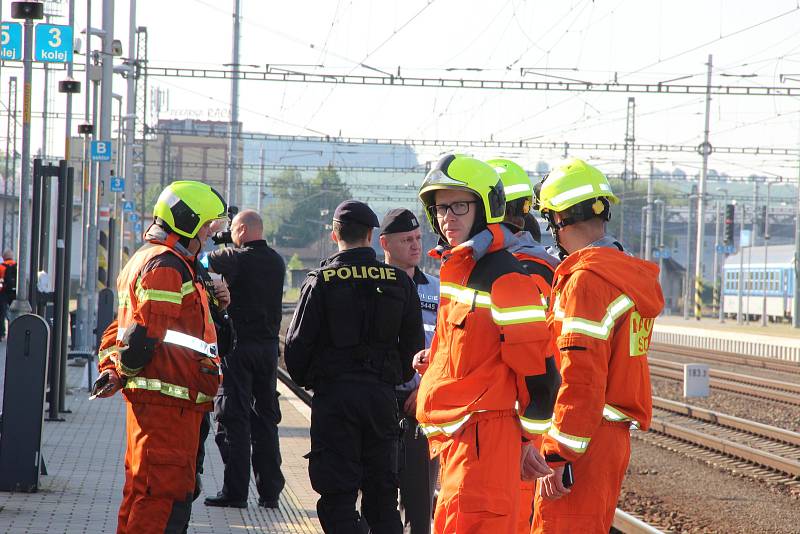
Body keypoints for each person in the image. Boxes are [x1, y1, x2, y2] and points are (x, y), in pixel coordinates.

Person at [415, 154, 559, 534]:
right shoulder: (461, 270)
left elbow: (541, 375)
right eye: (441, 207)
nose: (448, 217)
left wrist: (528, 442)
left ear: (485, 207)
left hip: (488, 443)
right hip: (462, 442)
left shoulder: (505, 278)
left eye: (460, 205)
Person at [530, 159, 664, 533]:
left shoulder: (586, 281)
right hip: (608, 435)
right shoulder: (623, 273)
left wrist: (558, 453)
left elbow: (581, 378)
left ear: (559, 220)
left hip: (583, 438)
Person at [94, 180, 228, 534]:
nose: (209, 236)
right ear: (186, 223)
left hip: (172, 406)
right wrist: (123, 369)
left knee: (144, 491)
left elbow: (117, 330)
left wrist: (113, 371)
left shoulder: (157, 260)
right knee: (161, 497)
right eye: (206, 227)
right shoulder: (166, 267)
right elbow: (145, 333)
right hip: (168, 407)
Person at [285, 200, 425, 534]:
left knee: (338, 499)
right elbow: (413, 351)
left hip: (335, 402)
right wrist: (390, 377)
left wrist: (315, 380)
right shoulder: (399, 282)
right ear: (371, 235)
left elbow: (296, 349)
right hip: (381, 401)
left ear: (335, 235)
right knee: (382, 500)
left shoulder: (320, 281)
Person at [486, 158, 561, 534]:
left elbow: (519, 356)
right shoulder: (547, 265)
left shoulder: (506, 271)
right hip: (538, 412)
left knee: (509, 516)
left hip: (512, 420)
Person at [204, 209, 286, 509]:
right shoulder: (276, 261)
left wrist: (219, 237)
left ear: (240, 231)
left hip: (237, 349)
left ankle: (235, 492)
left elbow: (204, 261)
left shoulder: (235, 258)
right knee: (267, 421)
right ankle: (270, 493)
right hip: (267, 352)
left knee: (235, 420)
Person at [378, 208, 439, 534]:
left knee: (419, 508)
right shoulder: (372, 287)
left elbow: (449, 349)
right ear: (385, 243)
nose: (416, 246)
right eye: (407, 240)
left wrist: (424, 390)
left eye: (418, 238)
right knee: (379, 503)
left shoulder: (439, 289)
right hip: (380, 407)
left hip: (421, 409)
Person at [0, 249, 16, 340]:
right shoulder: (17, 266)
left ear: (4, 257)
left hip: (3, 293)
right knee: (14, 312)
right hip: (14, 293)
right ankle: (14, 331)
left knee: (1, 313)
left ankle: (2, 333)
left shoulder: (1, 267)